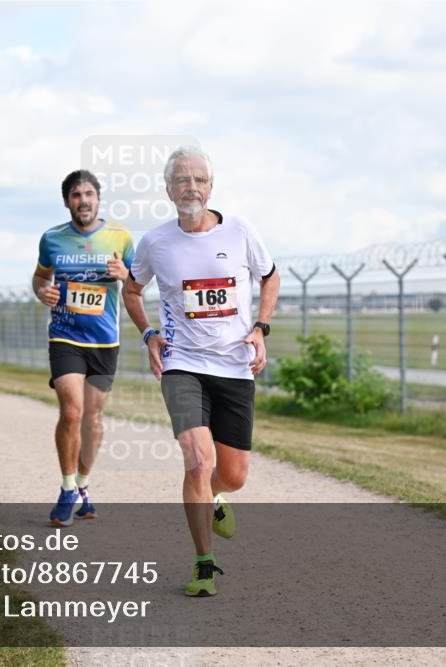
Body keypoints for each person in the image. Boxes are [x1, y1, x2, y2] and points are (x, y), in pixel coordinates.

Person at [122, 147, 280, 597]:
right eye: (182, 180)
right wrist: (149, 333)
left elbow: (271, 276)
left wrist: (260, 328)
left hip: (234, 364)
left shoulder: (241, 232)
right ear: (168, 189)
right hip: (182, 364)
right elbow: (131, 291)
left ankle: (214, 496)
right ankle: (204, 564)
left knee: (232, 475)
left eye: (200, 180)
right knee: (198, 460)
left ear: (212, 187)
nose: (191, 187)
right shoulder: (155, 242)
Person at [33, 169, 134, 526]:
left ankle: (83, 483)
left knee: (92, 419)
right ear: (67, 202)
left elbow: (138, 284)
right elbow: (40, 277)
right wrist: (42, 291)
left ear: (99, 199)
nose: (83, 200)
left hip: (105, 341)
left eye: (89, 194)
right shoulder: (52, 239)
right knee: (72, 411)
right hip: (65, 336)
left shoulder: (120, 237)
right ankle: (65, 489)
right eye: (76, 195)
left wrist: (125, 275)